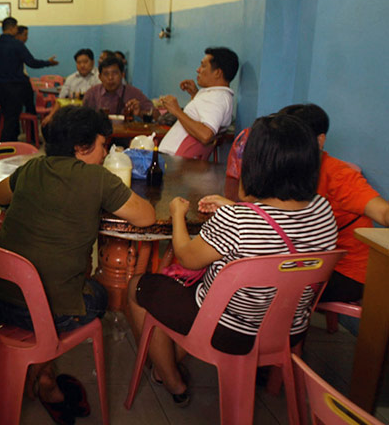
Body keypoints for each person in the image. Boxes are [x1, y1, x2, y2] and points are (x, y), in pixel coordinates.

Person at [125, 114, 336, 407]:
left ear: (257, 164)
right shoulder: (323, 211)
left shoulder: (236, 220)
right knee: (172, 294)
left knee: (139, 286)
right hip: (288, 329)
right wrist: (238, 208)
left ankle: (171, 379)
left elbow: (188, 256)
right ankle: (169, 361)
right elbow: (278, 224)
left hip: (228, 331)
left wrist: (176, 215)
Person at [0, 106, 155, 418]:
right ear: (82, 147)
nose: (106, 152)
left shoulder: (33, 168)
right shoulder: (97, 178)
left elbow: (0, 194)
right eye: (103, 145)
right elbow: (146, 216)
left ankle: (41, 372)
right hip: (45, 312)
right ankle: (40, 369)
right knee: (101, 294)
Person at [227, 104, 389, 304]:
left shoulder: (340, 176)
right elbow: (248, 197)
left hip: (343, 273)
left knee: (248, 279)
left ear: (319, 141)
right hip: (303, 259)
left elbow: (383, 213)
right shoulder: (289, 166)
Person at [0, 17, 58, 141]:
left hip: (1, 88)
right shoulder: (18, 45)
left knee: (8, 116)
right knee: (12, 118)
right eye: (16, 27)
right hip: (17, 87)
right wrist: (48, 63)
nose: (17, 29)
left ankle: (13, 140)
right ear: (12, 28)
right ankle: (7, 145)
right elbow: (31, 62)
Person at [158, 47, 239, 159]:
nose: (198, 69)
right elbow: (206, 114)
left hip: (172, 159)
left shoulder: (217, 98)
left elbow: (205, 135)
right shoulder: (218, 96)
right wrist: (195, 94)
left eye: (203, 66)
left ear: (217, 73)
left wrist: (176, 111)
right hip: (173, 157)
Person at [82, 56, 152, 118]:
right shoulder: (92, 94)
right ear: (100, 77)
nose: (110, 78)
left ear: (122, 75)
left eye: (115, 73)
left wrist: (140, 113)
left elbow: (156, 115)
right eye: (106, 74)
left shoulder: (134, 93)